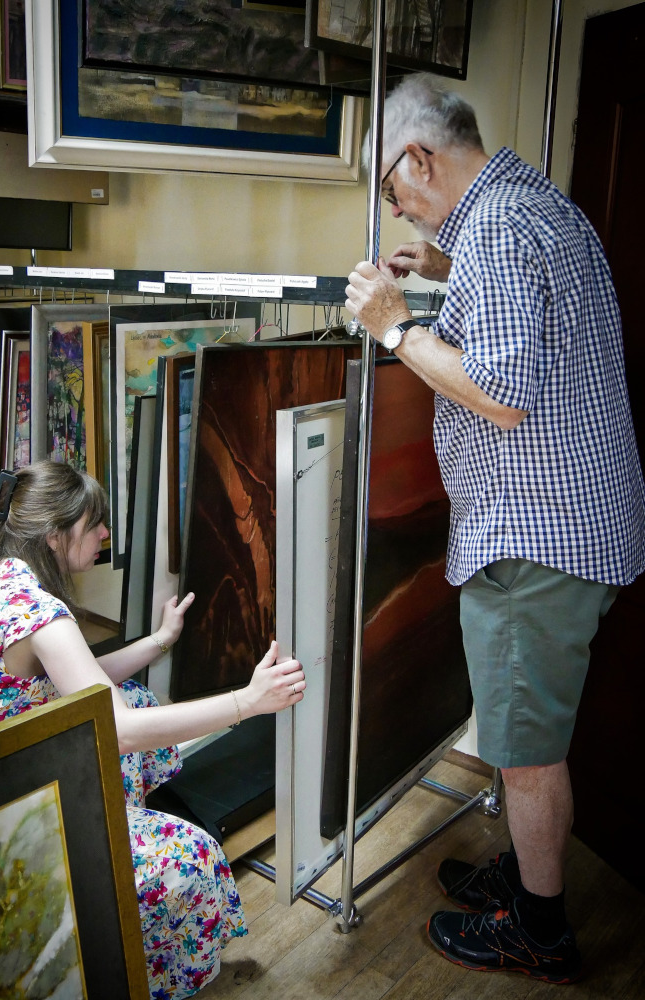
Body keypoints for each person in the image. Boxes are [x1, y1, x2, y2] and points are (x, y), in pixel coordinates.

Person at [345, 73, 645, 984]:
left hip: (536, 535)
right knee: (526, 729)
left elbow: (502, 394)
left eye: (391, 189)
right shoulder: (532, 207)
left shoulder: (499, 231)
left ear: (418, 158)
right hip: (575, 522)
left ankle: (539, 930)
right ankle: (522, 879)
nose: (396, 209)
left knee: (524, 751)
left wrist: (393, 328)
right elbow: (537, 317)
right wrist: (445, 272)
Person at [0, 460, 306, 1000]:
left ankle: (126, 826)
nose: (106, 534)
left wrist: (160, 640)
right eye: (94, 524)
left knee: (132, 692)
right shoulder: (38, 610)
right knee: (194, 856)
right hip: (17, 814)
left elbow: (77, 678)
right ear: (55, 535)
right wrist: (246, 703)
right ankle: (137, 963)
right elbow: (121, 730)